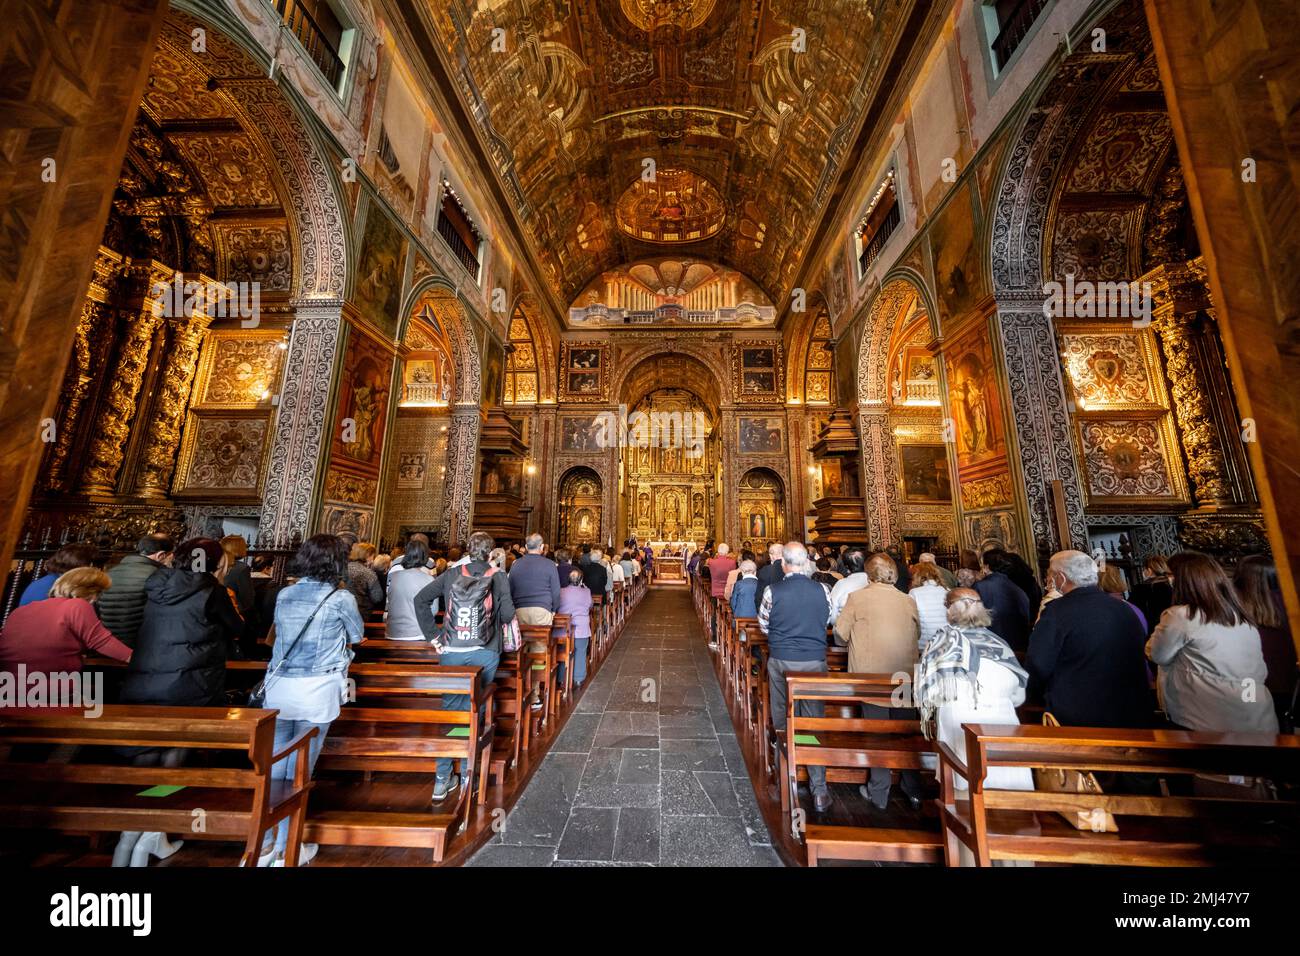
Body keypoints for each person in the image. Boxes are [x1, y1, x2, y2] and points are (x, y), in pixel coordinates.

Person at [254, 534, 365, 866]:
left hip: (280, 688)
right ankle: (290, 847)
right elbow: (357, 635)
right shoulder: (340, 598)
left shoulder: (285, 594)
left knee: (274, 767)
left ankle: (265, 845)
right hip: (316, 689)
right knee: (300, 769)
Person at [916, 588, 1032, 866]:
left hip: (959, 726)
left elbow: (927, 693)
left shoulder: (941, 644)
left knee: (966, 802)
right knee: (1012, 808)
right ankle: (1017, 858)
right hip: (1004, 732)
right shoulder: (999, 644)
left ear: (949, 612)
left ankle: (970, 859)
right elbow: (1019, 695)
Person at [414, 531, 516, 803]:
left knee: (450, 710)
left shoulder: (451, 573)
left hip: (453, 650)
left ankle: (442, 778)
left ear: (469, 551)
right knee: (477, 707)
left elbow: (420, 600)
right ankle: (471, 773)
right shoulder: (498, 575)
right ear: (491, 551)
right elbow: (506, 615)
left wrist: (433, 637)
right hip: (485, 651)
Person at [1147, 551, 1277, 734]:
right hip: (1255, 709)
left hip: (1210, 716)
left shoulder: (1181, 616)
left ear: (1183, 580)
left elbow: (1157, 654)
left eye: (1170, 575)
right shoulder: (1238, 614)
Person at [833, 553, 923, 810]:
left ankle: (879, 791)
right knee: (906, 732)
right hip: (903, 676)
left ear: (868, 574)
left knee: (877, 733)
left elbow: (840, 632)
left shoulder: (858, 597)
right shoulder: (907, 600)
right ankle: (913, 788)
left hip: (870, 676)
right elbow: (916, 633)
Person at [1026, 550, 1152, 728]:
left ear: (1061, 577)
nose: (1049, 580)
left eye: (1050, 575)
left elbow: (1038, 663)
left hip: (1080, 715)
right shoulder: (1124, 609)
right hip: (1130, 712)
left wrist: (1031, 695)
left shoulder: (1057, 612)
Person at [120, 538, 241, 708]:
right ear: (215, 563)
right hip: (191, 683)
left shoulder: (157, 583)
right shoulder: (212, 590)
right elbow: (237, 628)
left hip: (144, 677)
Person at [758, 542, 834, 812]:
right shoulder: (822, 590)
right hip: (814, 661)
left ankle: (783, 780)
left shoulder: (772, 591)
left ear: (784, 564)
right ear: (805, 563)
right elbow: (828, 620)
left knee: (782, 718)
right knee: (813, 719)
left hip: (781, 659)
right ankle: (819, 789)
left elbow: (764, 625)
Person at [0, 567, 132, 676]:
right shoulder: (77, 605)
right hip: (49, 691)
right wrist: (137, 660)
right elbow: (102, 641)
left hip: (9, 685)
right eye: (100, 594)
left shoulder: (21, 610)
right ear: (91, 592)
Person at [1234, 554, 1296, 728]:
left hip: (1251, 685)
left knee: (1256, 731)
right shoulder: (1290, 602)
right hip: (1288, 680)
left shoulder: (1233, 607)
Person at [99, 534, 173, 646]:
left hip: (107, 643)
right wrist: (169, 569)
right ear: (161, 555)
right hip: (140, 645)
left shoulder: (110, 573)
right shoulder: (159, 575)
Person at [973, 548, 1031, 653]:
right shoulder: (1018, 589)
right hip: (1018, 650)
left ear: (986, 567)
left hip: (991, 648)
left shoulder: (980, 587)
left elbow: (971, 620)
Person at [17, 543, 99, 607]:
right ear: (80, 564)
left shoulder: (50, 581)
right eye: (91, 565)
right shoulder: (55, 587)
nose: (93, 570)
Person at [385, 538, 437, 640]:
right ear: (425, 556)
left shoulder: (394, 577)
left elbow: (389, 601)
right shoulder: (429, 579)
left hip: (392, 633)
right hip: (418, 634)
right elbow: (434, 610)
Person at [509, 533, 561, 626]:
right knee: (541, 640)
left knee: (522, 639)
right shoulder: (550, 564)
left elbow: (510, 589)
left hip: (520, 611)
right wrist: (554, 610)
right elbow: (556, 591)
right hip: (542, 610)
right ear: (541, 547)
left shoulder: (515, 564)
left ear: (526, 547)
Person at [557, 569, 594, 687]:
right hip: (580, 628)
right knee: (580, 651)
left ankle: (561, 677)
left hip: (562, 629)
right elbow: (590, 605)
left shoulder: (561, 591)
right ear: (581, 580)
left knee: (562, 650)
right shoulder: (586, 592)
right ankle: (578, 677)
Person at [1129, 555, 1175, 636]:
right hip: (1173, 632)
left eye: (1144, 569)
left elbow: (1132, 612)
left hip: (1150, 633)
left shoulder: (1140, 589)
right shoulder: (1174, 588)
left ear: (1149, 571)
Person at [909, 561, 950, 652]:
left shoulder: (914, 593)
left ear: (917, 576)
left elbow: (911, 620)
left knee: (921, 666)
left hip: (924, 645)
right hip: (946, 642)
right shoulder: (947, 591)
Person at [828, 549, 868, 624]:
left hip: (846, 630)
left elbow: (832, 616)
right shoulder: (876, 582)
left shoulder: (841, 584)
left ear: (846, 567)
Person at [345, 543, 384, 618]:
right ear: (367, 555)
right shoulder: (369, 574)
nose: (372, 561)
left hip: (341, 611)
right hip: (360, 614)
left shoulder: (342, 569)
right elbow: (377, 598)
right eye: (372, 556)